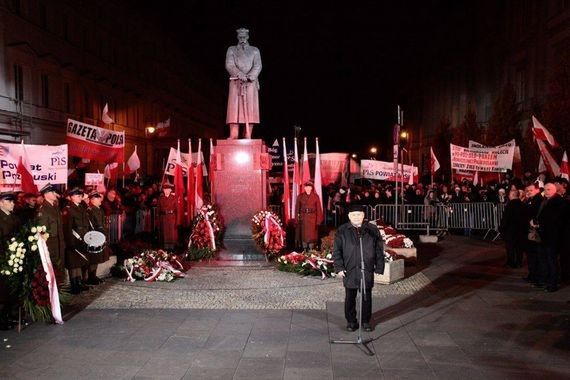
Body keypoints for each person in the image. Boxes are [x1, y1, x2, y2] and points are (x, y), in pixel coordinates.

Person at [333, 203, 385, 332]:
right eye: (354, 215)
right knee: (350, 297)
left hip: (366, 268)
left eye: (359, 215)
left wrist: (379, 267)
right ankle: (351, 321)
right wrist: (339, 267)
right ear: (349, 216)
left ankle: (365, 321)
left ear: (363, 216)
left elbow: (379, 249)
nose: (356, 217)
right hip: (349, 269)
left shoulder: (372, 230)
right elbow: (337, 251)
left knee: (366, 297)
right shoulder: (342, 230)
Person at [225, 27, 262, 139]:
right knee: (234, 107)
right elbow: (229, 64)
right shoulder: (231, 49)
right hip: (236, 81)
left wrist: (250, 76)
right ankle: (234, 133)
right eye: (240, 36)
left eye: (244, 36)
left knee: (250, 108)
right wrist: (239, 74)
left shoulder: (255, 50)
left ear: (248, 37)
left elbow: (258, 65)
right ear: (237, 37)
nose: (242, 38)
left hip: (250, 83)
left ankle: (248, 133)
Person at [534, 183, 566, 292]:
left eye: (549, 189)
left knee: (551, 260)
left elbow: (555, 219)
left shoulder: (558, 202)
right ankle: (547, 281)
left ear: (554, 190)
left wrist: (540, 224)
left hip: (553, 236)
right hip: (545, 235)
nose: (546, 191)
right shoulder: (546, 200)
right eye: (545, 189)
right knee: (546, 259)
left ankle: (553, 283)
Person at [35, 184, 66, 285]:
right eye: (52, 192)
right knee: (52, 267)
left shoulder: (55, 207)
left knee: (59, 266)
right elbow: (42, 231)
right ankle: (53, 293)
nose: (55, 194)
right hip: (51, 243)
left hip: (59, 242)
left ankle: (59, 291)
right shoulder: (43, 209)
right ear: (46, 194)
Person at [62, 187, 91, 294]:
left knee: (78, 262)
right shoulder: (68, 209)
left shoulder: (81, 207)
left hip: (82, 238)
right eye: (78, 196)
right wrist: (70, 242)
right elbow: (67, 227)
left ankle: (79, 282)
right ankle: (74, 284)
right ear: (71, 197)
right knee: (72, 263)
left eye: (80, 195)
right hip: (73, 238)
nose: (80, 197)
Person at [0, 191, 21, 330]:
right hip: (3, 258)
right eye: (9, 201)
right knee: (2, 290)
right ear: (1, 202)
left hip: (14, 257)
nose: (13, 203)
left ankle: (11, 315)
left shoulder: (14, 217)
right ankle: (2, 319)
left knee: (12, 289)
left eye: (13, 201)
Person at [499, 189, 527, 268]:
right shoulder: (523, 205)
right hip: (521, 230)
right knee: (519, 248)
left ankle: (510, 262)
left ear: (512, 195)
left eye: (510, 194)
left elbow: (505, 218)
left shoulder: (510, 205)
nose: (508, 196)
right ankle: (519, 262)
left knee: (510, 247)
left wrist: (502, 228)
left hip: (510, 230)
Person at [86, 191, 109, 285]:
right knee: (93, 257)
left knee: (97, 257)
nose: (100, 199)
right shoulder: (91, 210)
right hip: (95, 236)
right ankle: (91, 276)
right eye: (97, 198)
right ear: (92, 200)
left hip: (100, 235)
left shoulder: (99, 209)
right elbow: (93, 224)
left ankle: (93, 275)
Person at [523, 183, 543, 286]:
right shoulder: (531, 200)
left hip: (535, 232)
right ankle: (532, 275)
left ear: (537, 190)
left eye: (531, 190)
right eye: (527, 190)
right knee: (531, 256)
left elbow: (529, 212)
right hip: (531, 232)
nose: (528, 192)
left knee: (535, 256)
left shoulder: (538, 200)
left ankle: (537, 277)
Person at [295, 181, 323, 251]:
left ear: (311, 188)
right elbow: (297, 208)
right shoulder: (300, 196)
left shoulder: (316, 197)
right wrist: (296, 219)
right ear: (304, 188)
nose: (308, 188)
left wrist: (318, 221)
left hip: (313, 218)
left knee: (312, 235)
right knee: (304, 234)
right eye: (306, 187)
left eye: (309, 187)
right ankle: (304, 249)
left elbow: (319, 209)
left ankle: (311, 249)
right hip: (303, 217)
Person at [158, 182, 178, 250]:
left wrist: (177, 221)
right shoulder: (160, 198)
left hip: (172, 217)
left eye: (167, 189)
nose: (165, 190)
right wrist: (158, 220)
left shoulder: (174, 198)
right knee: (164, 233)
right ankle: (165, 248)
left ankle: (172, 248)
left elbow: (177, 210)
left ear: (170, 190)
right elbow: (158, 210)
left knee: (171, 233)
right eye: (164, 189)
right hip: (163, 217)